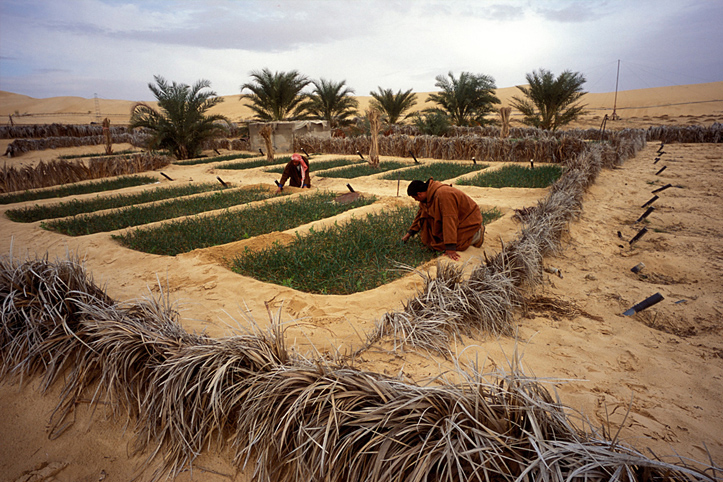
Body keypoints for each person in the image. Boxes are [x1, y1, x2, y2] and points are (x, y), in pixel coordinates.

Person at [401, 179, 484, 261]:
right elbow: (420, 216)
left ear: (419, 194)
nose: (415, 200)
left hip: (467, 222)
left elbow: (449, 219)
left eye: (414, 197)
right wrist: (409, 234)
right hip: (454, 221)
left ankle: (476, 235)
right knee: (430, 232)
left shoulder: (444, 194)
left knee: (454, 246)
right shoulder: (427, 198)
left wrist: (450, 248)